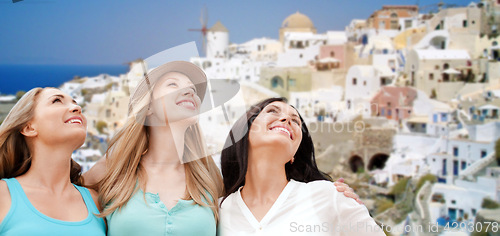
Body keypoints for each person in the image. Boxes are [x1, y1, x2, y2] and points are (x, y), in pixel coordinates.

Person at [84, 61, 360, 236]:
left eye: (193, 89)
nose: (189, 91)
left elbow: (261, 204)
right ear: (150, 107)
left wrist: (334, 196)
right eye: (173, 84)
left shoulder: (208, 180)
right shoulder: (113, 171)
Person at [219, 98, 385, 236]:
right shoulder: (218, 211)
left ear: (294, 153)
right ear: (245, 132)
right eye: (272, 111)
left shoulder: (328, 196)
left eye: (296, 121)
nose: (286, 119)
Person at [0, 88, 106, 235]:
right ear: (29, 127)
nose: (77, 108)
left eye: (75, 102)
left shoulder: (96, 202)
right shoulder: (3, 195)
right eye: (57, 100)